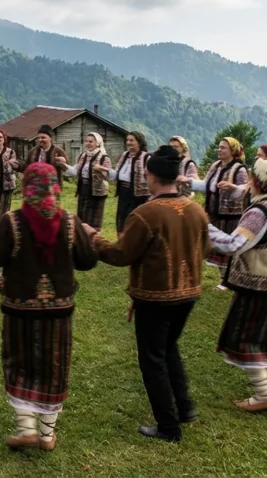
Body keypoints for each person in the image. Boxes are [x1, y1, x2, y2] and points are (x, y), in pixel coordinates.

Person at [0, 163, 100, 451]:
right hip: (59, 312)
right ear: (55, 187)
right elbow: (88, 261)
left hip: (19, 311)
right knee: (53, 369)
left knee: (20, 365)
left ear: (27, 187)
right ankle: (46, 436)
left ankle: (26, 429)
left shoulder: (13, 221)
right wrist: (89, 237)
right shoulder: (69, 222)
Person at [90, 146, 210, 443]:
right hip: (189, 293)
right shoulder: (196, 210)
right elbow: (206, 249)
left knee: (152, 359)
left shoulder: (145, 214)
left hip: (155, 297)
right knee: (168, 349)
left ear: (151, 176)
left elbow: (120, 254)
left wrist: (93, 237)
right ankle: (185, 408)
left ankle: (168, 427)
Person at [207, 159, 267, 412]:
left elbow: (232, 245)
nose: (249, 184)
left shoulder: (260, 212)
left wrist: (203, 226)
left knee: (244, 338)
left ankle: (264, 393)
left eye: (252, 178)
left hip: (260, 286)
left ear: (260, 182)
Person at [179, 137, 249, 289]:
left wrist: (232, 188)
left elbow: (246, 190)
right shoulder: (215, 166)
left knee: (227, 249)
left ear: (233, 151)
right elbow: (207, 186)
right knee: (213, 246)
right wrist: (188, 182)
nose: (219, 149)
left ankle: (227, 280)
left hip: (230, 216)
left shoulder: (239, 169)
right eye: (219, 147)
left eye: (223, 147)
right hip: (213, 213)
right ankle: (223, 278)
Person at [61, 132, 112, 231]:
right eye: (86, 141)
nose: (88, 143)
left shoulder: (104, 157)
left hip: (97, 192)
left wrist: (101, 169)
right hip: (84, 189)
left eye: (91, 142)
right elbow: (75, 171)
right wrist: (62, 164)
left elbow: (110, 176)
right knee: (82, 217)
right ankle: (83, 240)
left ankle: (93, 242)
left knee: (93, 220)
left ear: (97, 143)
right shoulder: (83, 155)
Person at [110, 131, 151, 237]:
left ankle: (133, 245)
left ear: (139, 143)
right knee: (121, 221)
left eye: (132, 140)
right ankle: (121, 244)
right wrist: (104, 170)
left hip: (138, 196)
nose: (128, 143)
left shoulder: (146, 157)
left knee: (133, 221)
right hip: (124, 193)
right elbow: (117, 173)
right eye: (127, 140)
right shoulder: (125, 155)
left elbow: (150, 177)